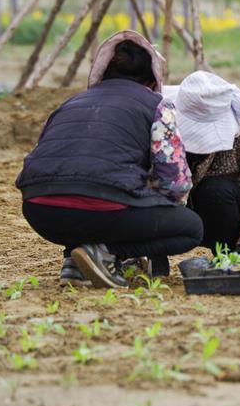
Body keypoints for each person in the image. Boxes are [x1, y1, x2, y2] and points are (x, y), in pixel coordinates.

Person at [17, 31, 204, 289]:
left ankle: (74, 258)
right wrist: (151, 200)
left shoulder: (71, 103)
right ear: (153, 79)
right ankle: (105, 252)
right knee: (191, 228)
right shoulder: (157, 105)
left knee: (86, 195)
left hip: (39, 210)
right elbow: (175, 182)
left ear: (102, 71)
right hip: (103, 207)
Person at [164, 71, 240, 253]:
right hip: (174, 213)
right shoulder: (161, 129)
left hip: (220, 213)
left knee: (217, 190)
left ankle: (225, 254)